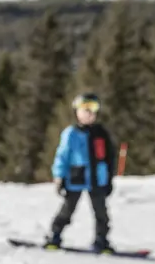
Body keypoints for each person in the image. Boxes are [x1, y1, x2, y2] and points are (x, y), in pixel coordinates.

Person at [46, 92, 116, 252]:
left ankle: (101, 240)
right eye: (85, 109)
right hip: (75, 178)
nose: (89, 113)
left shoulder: (101, 134)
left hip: (97, 179)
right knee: (67, 209)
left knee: (101, 213)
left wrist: (109, 179)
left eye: (93, 108)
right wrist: (59, 177)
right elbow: (62, 157)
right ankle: (54, 235)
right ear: (77, 112)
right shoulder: (71, 133)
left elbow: (109, 158)